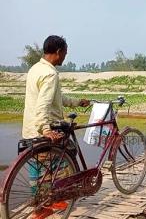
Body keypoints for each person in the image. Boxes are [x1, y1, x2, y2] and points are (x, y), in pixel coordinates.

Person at [22, 35, 89, 218]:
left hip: (29, 128)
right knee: (68, 152)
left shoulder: (35, 69)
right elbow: (43, 105)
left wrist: (77, 102)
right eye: (65, 53)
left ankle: (40, 205)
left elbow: (56, 99)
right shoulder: (50, 74)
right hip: (42, 127)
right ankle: (53, 199)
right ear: (58, 52)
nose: (65, 57)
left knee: (36, 166)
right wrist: (46, 129)